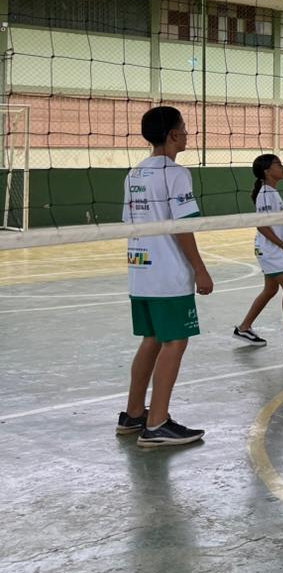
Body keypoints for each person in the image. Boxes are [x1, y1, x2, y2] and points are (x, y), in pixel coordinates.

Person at [117, 106, 213, 447]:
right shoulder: (175, 173)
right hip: (168, 273)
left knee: (152, 338)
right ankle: (156, 424)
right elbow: (182, 227)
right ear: (172, 135)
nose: (187, 134)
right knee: (175, 341)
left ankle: (133, 415)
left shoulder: (134, 174)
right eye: (184, 129)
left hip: (140, 269)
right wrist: (200, 269)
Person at [233, 154, 283, 354]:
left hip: (275, 250)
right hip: (271, 251)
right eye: (278, 164)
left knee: (270, 290)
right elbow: (262, 226)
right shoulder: (265, 194)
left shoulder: (272, 192)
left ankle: (244, 328)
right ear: (267, 171)